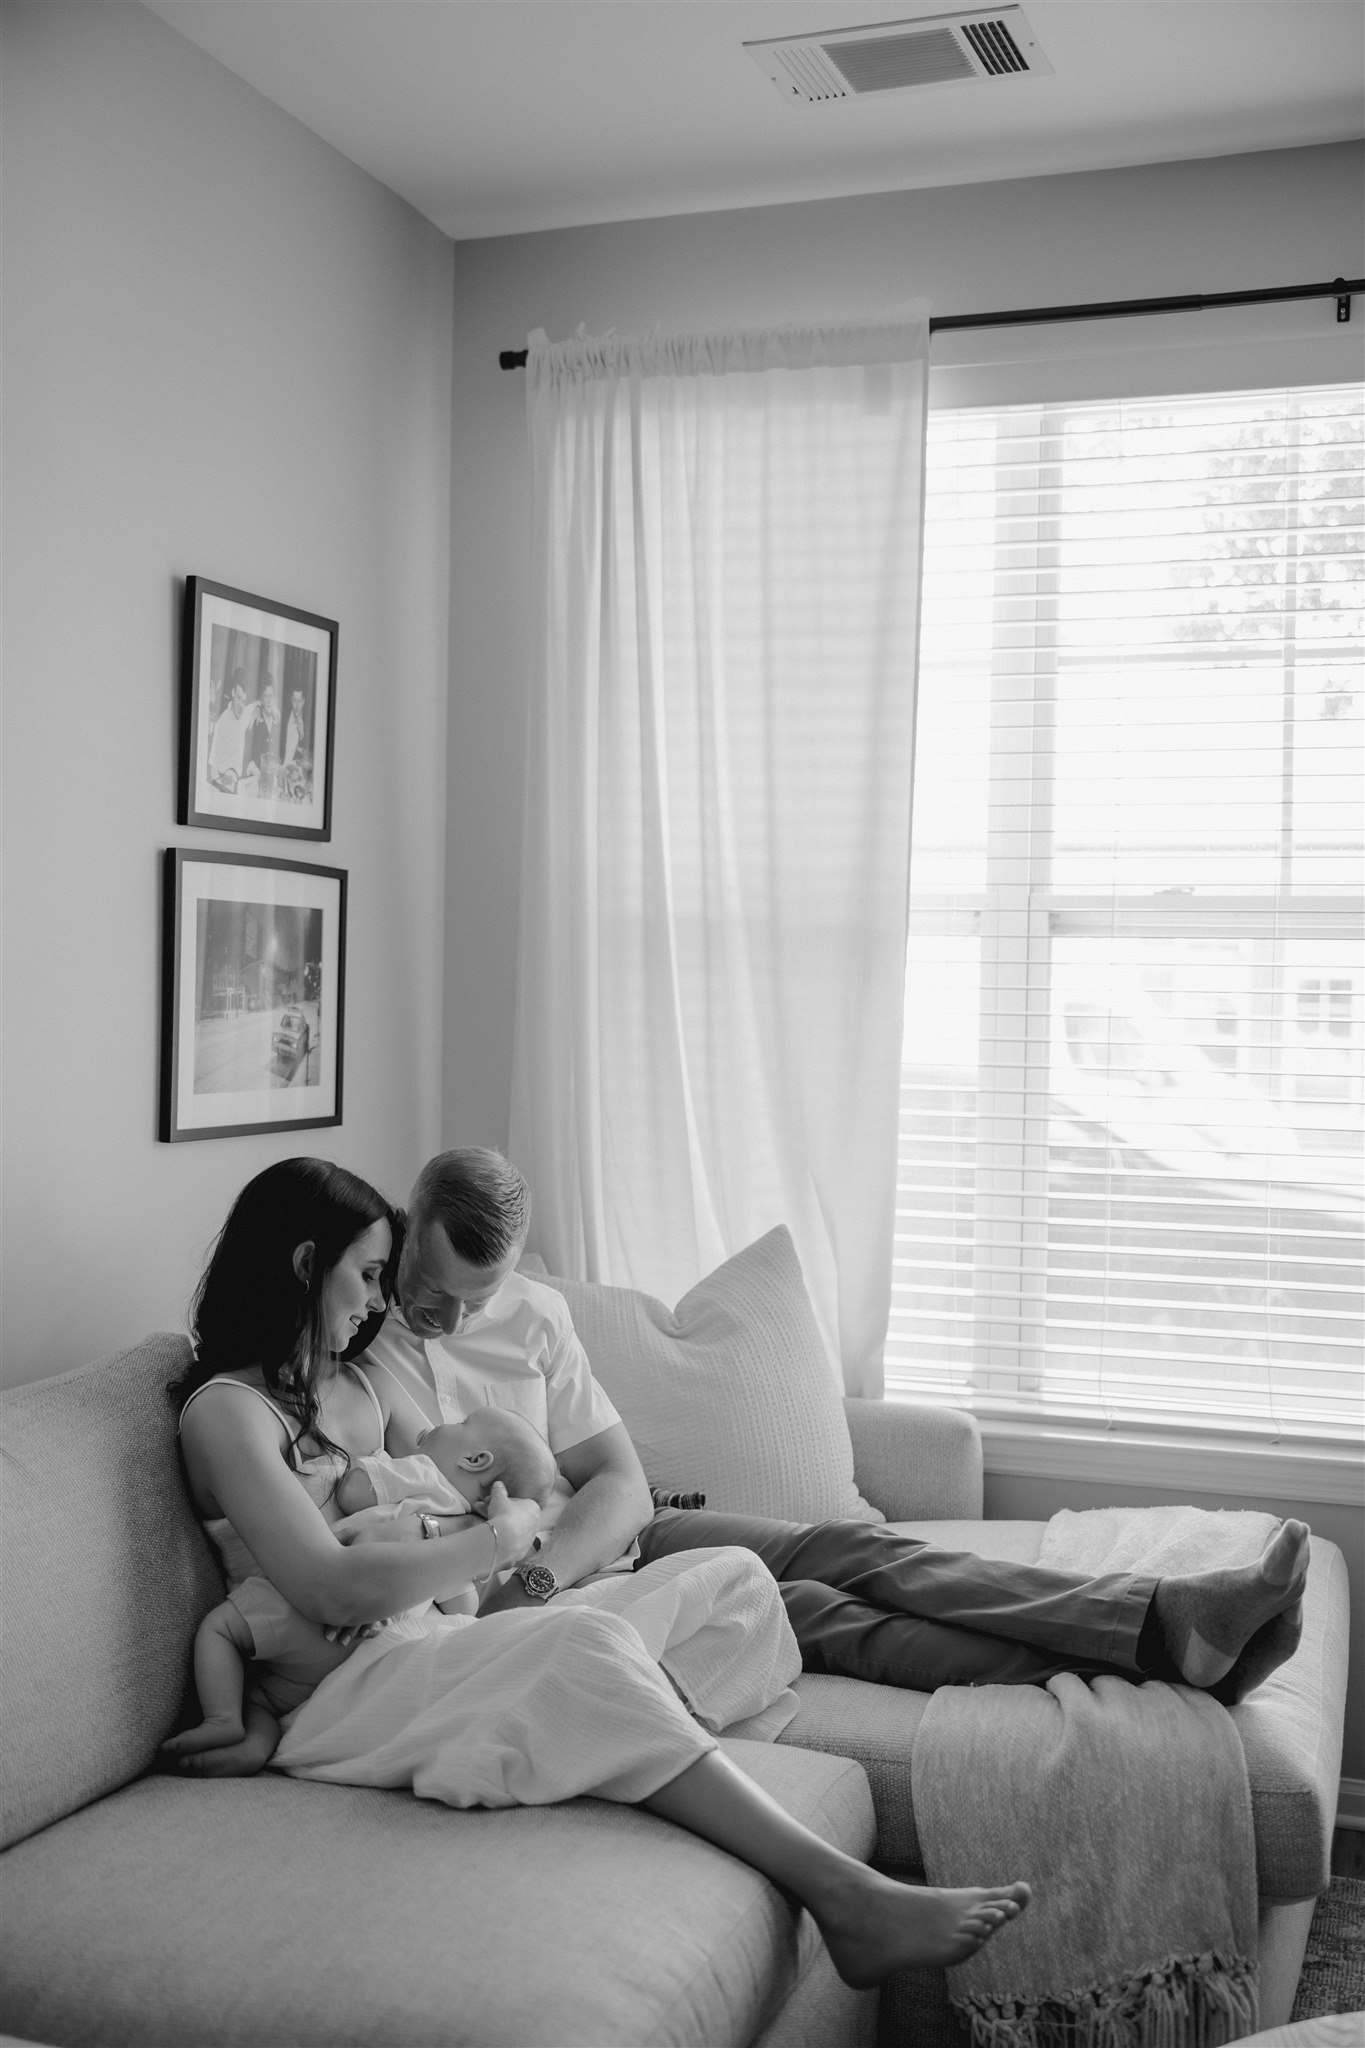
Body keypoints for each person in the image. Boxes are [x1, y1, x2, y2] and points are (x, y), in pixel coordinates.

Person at [168, 1156, 1031, 1988]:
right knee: (582, 1645)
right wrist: (499, 1546)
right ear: (305, 1265)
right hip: (352, 1689)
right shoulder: (228, 1416)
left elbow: (442, 1494)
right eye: (368, 1276)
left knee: (732, 1580)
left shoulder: (350, 1386)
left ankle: (611, 1736)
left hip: (443, 1632)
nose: (372, 1306)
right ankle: (848, 1897)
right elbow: (327, 1589)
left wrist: (479, 1547)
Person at [361, 1150, 1311, 1705]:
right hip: (550, 1602)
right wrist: (525, 1586)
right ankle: (1170, 1669)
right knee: (836, 1622)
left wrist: (542, 1569)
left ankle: (1156, 1614)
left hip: (597, 1550)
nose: (438, 1318)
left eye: (467, 1301)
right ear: (405, 1228)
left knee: (860, 1556)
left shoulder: (533, 1315)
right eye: (424, 1290)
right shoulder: (351, 1342)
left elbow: (618, 1483)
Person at [206, 670, 258, 790]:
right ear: (233, 693)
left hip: (240, 783)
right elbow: (212, 772)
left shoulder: (244, 712)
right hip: (223, 786)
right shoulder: (222, 723)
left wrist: (258, 708)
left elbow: (256, 704)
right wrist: (224, 780)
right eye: (239, 698)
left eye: (245, 700)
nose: (241, 705)